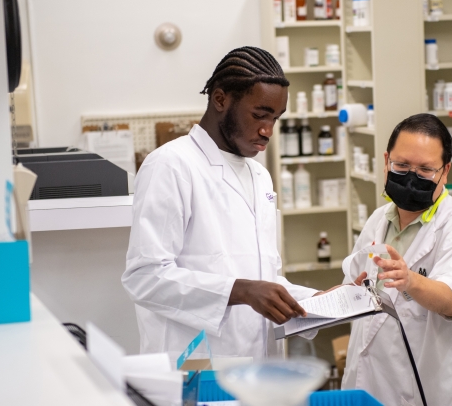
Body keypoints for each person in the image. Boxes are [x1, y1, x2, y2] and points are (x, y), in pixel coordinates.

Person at [121, 46, 348, 361]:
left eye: (276, 119)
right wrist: (239, 291)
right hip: (197, 362)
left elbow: (264, 280)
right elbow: (145, 277)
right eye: (259, 115)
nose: (268, 131)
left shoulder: (259, 176)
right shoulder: (171, 165)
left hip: (259, 365)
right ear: (220, 99)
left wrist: (318, 301)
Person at [340, 114, 452, 406]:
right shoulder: (378, 221)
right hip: (369, 382)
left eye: (425, 170)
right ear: (386, 161)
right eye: (402, 165)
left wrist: (411, 281)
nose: (411, 177)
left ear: (445, 171)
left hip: (425, 390)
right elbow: (354, 286)